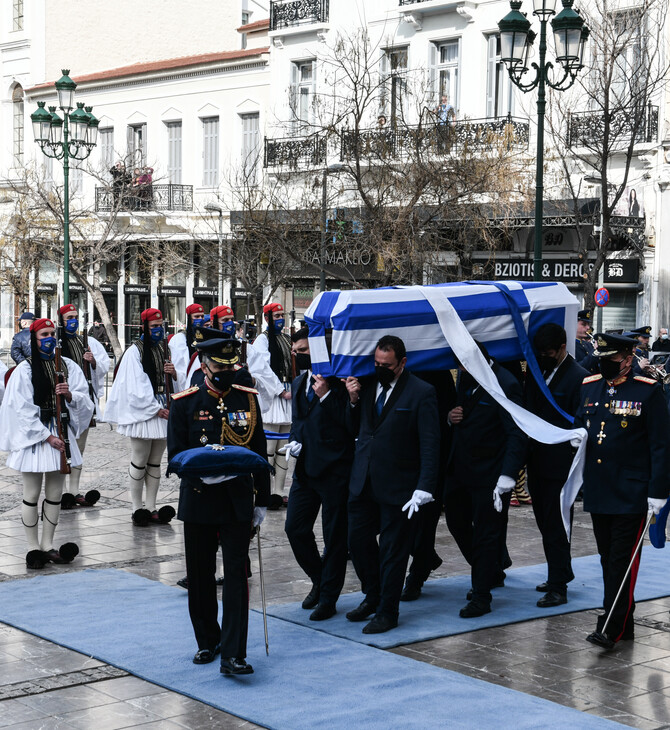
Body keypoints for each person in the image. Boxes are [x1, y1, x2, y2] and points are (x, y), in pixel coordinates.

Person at [167, 336, 270, 675]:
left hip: (237, 500)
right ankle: (207, 641)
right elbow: (176, 457)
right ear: (203, 365)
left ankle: (233, 653)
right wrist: (203, 472)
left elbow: (258, 452)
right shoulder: (184, 404)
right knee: (200, 576)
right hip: (199, 498)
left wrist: (262, 501)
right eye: (219, 366)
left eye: (231, 366)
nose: (226, 372)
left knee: (238, 578)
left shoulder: (248, 400)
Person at [575, 332, 670, 649]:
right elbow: (580, 429)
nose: (603, 364)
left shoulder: (648, 392)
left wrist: (658, 492)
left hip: (633, 492)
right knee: (607, 559)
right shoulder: (590, 387)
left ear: (628, 360)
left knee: (620, 561)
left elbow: (661, 446)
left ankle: (611, 627)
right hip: (600, 490)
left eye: (611, 359)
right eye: (601, 359)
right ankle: (625, 622)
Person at [344, 335, 440, 634]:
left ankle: (388, 610)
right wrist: (353, 401)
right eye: (376, 363)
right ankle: (372, 596)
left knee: (392, 551)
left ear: (402, 363)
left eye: (386, 364)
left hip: (400, 486)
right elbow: (356, 428)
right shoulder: (367, 385)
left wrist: (424, 486)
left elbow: (430, 442)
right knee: (357, 543)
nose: (380, 368)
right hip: (364, 481)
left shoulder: (422, 392)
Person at [0, 318, 94, 568]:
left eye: (53, 333)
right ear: (34, 338)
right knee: (31, 494)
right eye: (44, 334)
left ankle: (48, 545)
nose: (50, 338)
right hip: (37, 438)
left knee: (54, 495)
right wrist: (46, 436)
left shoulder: (68, 365)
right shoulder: (25, 369)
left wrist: (70, 395)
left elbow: (85, 401)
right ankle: (32, 548)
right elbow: (20, 408)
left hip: (60, 435)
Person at [444, 341, 526, 618]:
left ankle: (481, 596)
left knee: (486, 534)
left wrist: (508, 475)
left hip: (492, 474)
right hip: (461, 468)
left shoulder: (505, 382)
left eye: (466, 363)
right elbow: (461, 411)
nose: (462, 369)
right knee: (456, 522)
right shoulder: (469, 375)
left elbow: (516, 432)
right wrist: (450, 417)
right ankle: (491, 569)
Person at [284, 327, 354, 621]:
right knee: (295, 528)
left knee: (334, 538)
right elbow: (299, 420)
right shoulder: (300, 381)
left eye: (303, 351)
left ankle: (328, 597)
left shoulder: (341, 384)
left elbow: (351, 424)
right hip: (306, 470)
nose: (297, 356)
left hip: (335, 471)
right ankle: (319, 578)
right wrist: (294, 442)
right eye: (295, 351)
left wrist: (326, 395)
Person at [524, 323, 588, 608]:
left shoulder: (580, 378)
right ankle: (561, 571)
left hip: (561, 464)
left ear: (563, 348)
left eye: (549, 352)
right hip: (537, 460)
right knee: (543, 521)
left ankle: (558, 586)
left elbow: (580, 423)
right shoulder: (538, 373)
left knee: (557, 524)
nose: (544, 356)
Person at [104, 308, 177, 527]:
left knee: (155, 462)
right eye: (154, 326)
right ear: (144, 327)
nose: (158, 330)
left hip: (162, 410)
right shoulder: (134, 351)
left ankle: (152, 506)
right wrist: (155, 408)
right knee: (140, 460)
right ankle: (137, 507)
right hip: (144, 413)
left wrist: (173, 373)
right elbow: (135, 386)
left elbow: (174, 380)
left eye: (161, 326)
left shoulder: (165, 348)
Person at [57, 304, 111, 508]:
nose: (73, 320)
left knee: (79, 448)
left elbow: (104, 366)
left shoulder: (86, 342)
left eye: (75, 316)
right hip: (61, 403)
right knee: (62, 449)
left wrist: (93, 361)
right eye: (69, 317)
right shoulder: (54, 342)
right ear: (61, 320)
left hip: (81, 404)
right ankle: (60, 492)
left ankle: (74, 491)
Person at [247, 303, 293, 498]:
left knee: (284, 448)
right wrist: (279, 390)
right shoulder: (262, 340)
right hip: (272, 397)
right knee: (269, 448)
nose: (280, 319)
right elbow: (262, 369)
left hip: (287, 395)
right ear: (267, 318)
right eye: (277, 316)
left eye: (282, 315)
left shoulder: (287, 339)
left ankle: (279, 491)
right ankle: (264, 491)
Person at [169, 303, 206, 392]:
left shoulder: (205, 337)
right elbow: (180, 369)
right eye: (196, 317)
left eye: (202, 316)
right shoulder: (179, 339)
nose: (200, 319)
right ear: (189, 318)